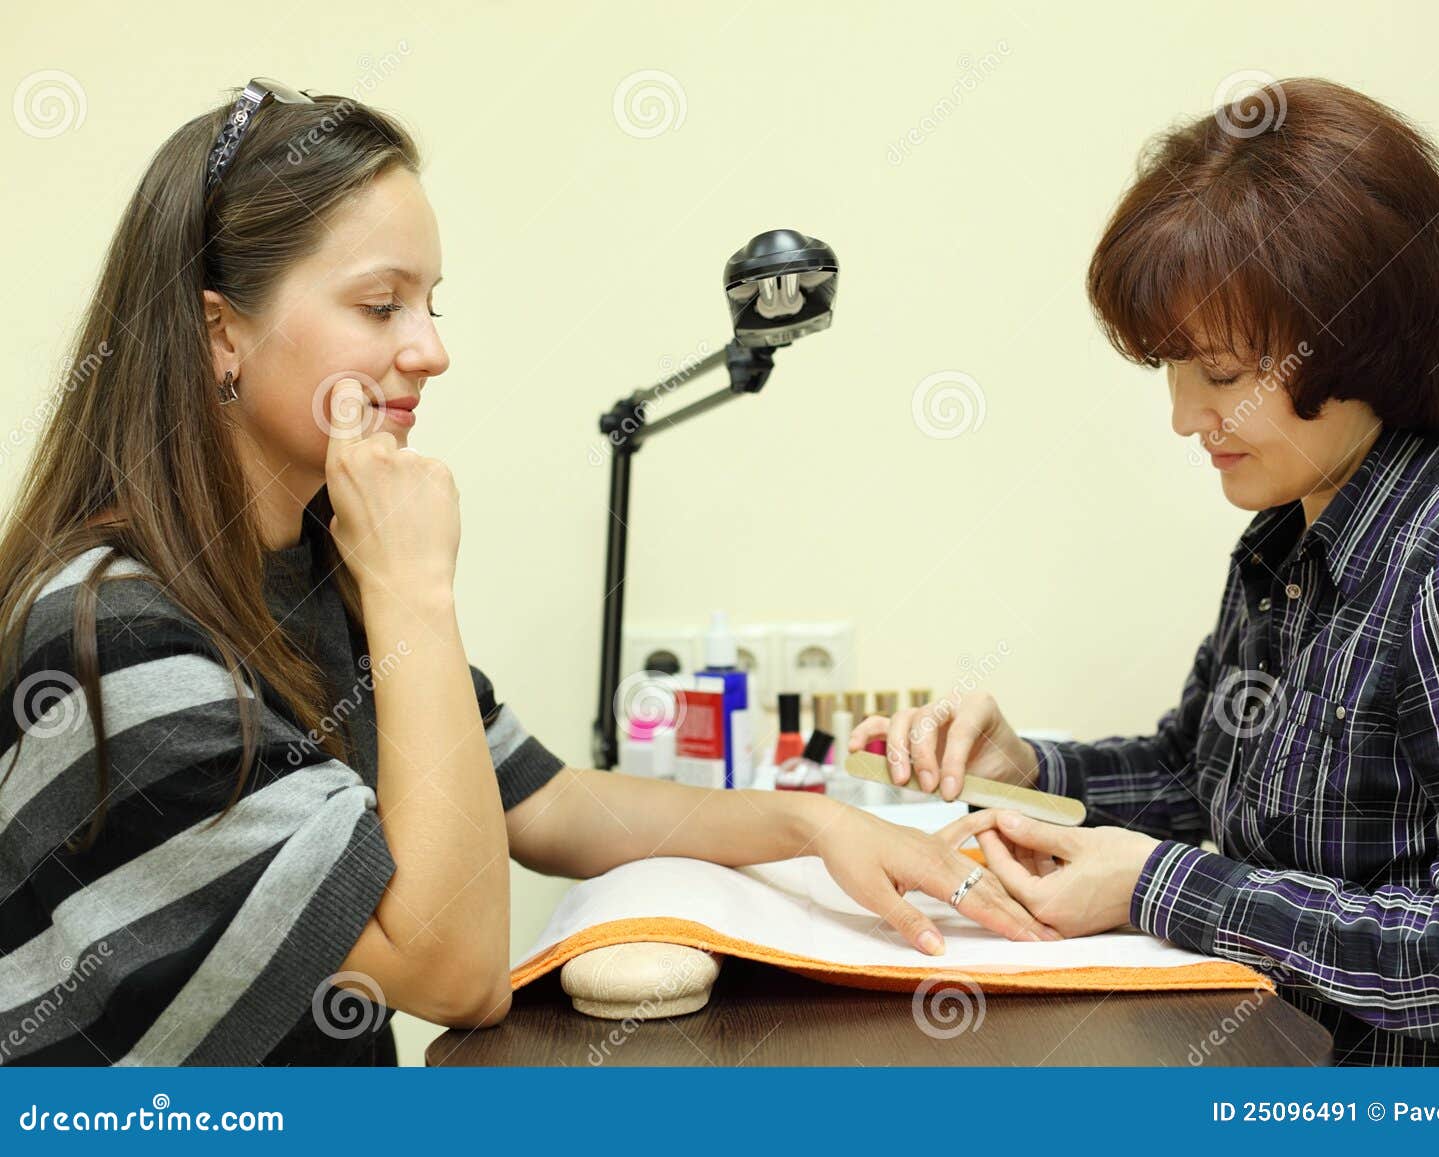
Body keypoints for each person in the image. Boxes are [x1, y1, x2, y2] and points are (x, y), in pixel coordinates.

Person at [0, 80, 1056, 1067]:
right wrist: (414, 589)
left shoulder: (313, 561)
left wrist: (813, 822)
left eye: (432, 304)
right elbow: (455, 972)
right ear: (219, 330)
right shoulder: (117, 634)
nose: (430, 350)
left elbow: (544, 802)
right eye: (380, 307)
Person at [851, 78, 1439, 1066]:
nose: (1182, 418)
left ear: (1358, 340)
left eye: (1222, 376)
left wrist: (1158, 885)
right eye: (1174, 369)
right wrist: (1029, 769)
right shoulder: (1285, 538)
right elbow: (1199, 773)